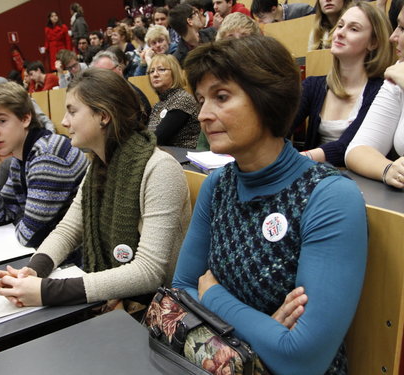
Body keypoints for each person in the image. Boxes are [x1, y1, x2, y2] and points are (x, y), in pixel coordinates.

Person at [173, 36, 367, 374]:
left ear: (268, 100)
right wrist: (265, 330)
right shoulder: (218, 185)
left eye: (221, 97)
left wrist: (214, 297)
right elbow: (181, 293)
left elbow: (301, 359)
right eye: (202, 99)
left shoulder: (329, 197)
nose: (203, 114)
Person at [0, 68, 191, 310]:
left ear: (103, 115)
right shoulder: (99, 167)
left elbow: (149, 272)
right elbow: (69, 230)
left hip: (156, 309)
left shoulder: (160, 169)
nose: (63, 121)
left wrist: (47, 291)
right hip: (122, 300)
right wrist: (33, 271)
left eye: (72, 111)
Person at [0, 82, 89, 248]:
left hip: (81, 261)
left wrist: (20, 218)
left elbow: (29, 236)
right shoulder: (20, 158)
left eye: (1, 121)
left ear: (25, 118)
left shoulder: (48, 155)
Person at [292, 2, 393, 167]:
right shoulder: (313, 85)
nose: (340, 33)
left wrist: (294, 160)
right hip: (314, 177)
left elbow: (346, 148)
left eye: (353, 29)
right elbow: (281, 126)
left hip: (363, 184)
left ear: (373, 43)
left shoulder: (381, 91)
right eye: (340, 26)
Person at [345, 3, 404, 188]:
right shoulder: (399, 74)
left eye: (403, 28)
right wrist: (387, 169)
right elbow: (356, 150)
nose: (393, 37)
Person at [147, 54, 200, 148]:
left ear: (174, 73)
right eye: (151, 71)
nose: (155, 74)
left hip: (183, 157)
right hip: (165, 155)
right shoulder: (158, 105)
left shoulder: (182, 98)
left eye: (161, 69)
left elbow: (158, 137)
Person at [91, 50, 152, 119]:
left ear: (119, 69)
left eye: (106, 73)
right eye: (98, 75)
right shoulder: (97, 96)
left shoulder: (132, 94)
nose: (103, 78)